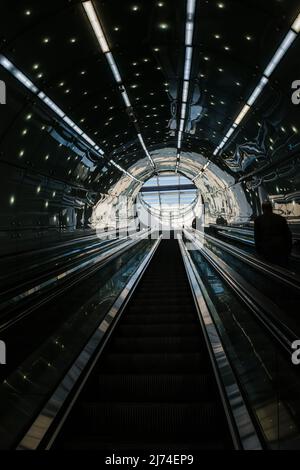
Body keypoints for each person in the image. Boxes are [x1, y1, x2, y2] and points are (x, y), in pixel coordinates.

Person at [254, 201, 292, 267]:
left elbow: (257, 237)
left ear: (262, 209)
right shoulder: (281, 219)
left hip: (266, 251)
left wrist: (259, 251)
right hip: (281, 249)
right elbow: (288, 235)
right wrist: (288, 249)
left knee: (269, 269)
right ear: (271, 208)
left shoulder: (258, 220)